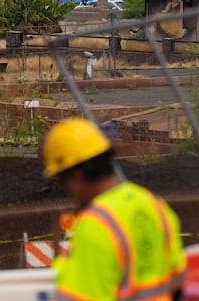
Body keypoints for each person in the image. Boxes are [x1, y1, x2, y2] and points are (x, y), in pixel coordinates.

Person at [42, 117, 186, 301]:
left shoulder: (96, 223)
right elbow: (177, 281)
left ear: (76, 176)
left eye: (63, 181)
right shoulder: (154, 205)